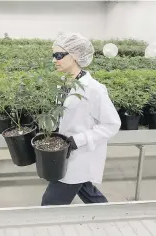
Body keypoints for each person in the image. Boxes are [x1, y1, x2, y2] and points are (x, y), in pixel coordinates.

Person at [41, 32, 121, 206]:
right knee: (88, 191)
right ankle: (111, 218)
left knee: (50, 204)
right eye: (53, 55)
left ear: (75, 56)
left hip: (79, 154)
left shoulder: (93, 89)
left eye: (59, 55)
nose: (54, 60)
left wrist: (77, 141)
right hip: (63, 152)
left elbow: (111, 124)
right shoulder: (63, 82)